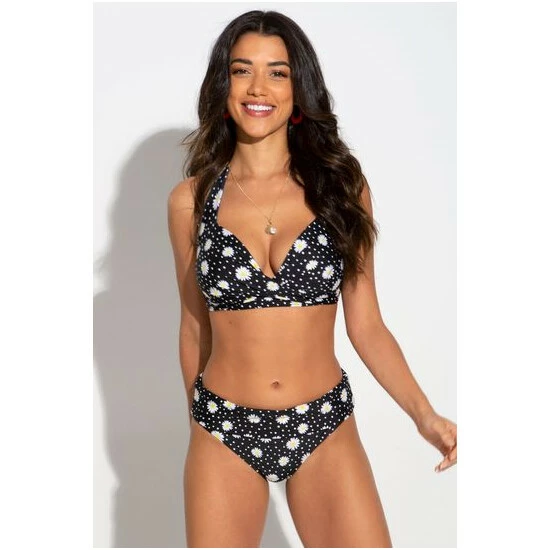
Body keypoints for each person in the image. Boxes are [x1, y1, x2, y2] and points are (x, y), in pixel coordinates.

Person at [168, 9, 456, 548]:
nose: (258, 87)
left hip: (323, 423)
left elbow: (367, 324)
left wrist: (425, 416)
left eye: (277, 72)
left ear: (298, 89)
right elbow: (193, 327)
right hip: (223, 427)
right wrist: (201, 428)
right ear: (222, 85)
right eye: (241, 70)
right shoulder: (191, 201)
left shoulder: (340, 189)